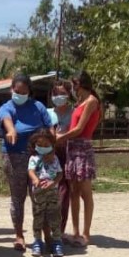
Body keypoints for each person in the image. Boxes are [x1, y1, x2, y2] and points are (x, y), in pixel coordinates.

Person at [0, 74, 53, 251]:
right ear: (11, 89)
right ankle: (19, 235)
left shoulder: (38, 107)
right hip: (14, 157)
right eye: (16, 91)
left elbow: (49, 127)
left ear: (29, 92)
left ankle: (43, 236)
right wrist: (12, 130)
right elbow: (6, 119)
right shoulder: (6, 107)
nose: (19, 94)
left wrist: (52, 147)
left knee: (39, 196)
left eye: (23, 91)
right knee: (18, 197)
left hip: (38, 158)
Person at [56, 71, 101, 247]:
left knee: (85, 192)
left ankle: (86, 233)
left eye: (74, 85)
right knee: (74, 191)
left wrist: (59, 138)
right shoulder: (80, 102)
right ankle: (75, 232)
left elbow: (80, 129)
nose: (73, 89)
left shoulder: (91, 102)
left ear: (81, 84)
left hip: (82, 148)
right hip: (72, 148)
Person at [27, 130, 64, 257]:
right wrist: (35, 179)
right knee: (38, 217)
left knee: (54, 216)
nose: (42, 147)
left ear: (52, 145)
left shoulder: (55, 159)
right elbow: (30, 171)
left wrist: (53, 183)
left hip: (53, 192)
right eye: (40, 145)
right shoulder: (34, 158)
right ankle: (37, 241)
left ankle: (57, 241)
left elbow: (60, 174)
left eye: (46, 144)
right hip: (38, 192)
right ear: (35, 145)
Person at [47, 80, 73, 243]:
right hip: (51, 153)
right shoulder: (47, 112)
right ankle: (47, 230)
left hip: (69, 153)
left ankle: (60, 230)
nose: (58, 97)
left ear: (69, 95)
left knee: (64, 192)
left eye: (62, 93)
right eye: (55, 94)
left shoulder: (75, 112)